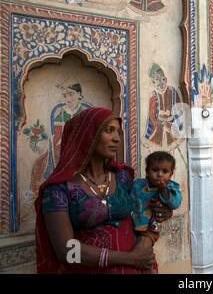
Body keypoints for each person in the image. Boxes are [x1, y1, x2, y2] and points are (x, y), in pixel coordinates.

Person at [34, 107, 173, 273]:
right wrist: (130, 259)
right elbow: (66, 251)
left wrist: (146, 240)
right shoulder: (58, 189)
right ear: (87, 135)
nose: (117, 139)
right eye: (109, 131)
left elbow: (149, 212)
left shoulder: (123, 178)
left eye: (118, 132)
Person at [131, 151, 181, 251]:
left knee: (141, 250)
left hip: (150, 228)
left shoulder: (172, 187)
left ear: (171, 174)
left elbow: (175, 203)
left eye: (165, 171)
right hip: (132, 223)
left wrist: (164, 190)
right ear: (147, 171)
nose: (159, 174)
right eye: (154, 170)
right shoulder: (138, 184)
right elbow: (129, 198)